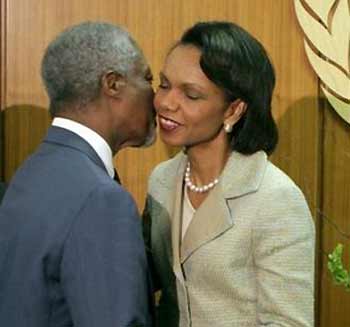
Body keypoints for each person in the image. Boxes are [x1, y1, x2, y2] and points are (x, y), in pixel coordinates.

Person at [143, 21, 315, 327]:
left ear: (233, 110)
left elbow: (288, 322)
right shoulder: (161, 180)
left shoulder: (276, 199)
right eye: (165, 84)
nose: (166, 103)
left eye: (191, 95)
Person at [0, 22, 156, 327]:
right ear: (113, 84)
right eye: (147, 78)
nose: (158, 97)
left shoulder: (32, 173)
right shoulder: (101, 199)